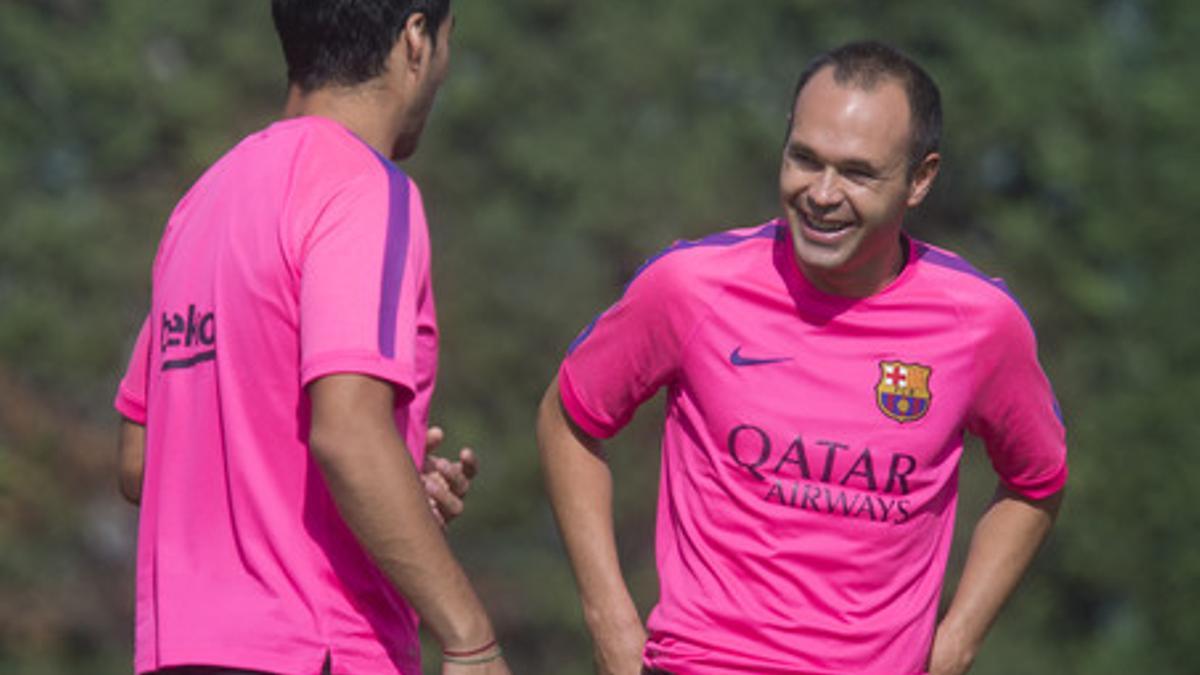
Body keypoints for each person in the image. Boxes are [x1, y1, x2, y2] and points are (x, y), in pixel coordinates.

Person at [537, 41, 1066, 675]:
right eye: (804, 159)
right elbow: (568, 419)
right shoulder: (689, 286)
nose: (822, 193)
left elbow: (1037, 481)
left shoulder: (981, 323)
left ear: (920, 179)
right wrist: (610, 621)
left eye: (858, 172)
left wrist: (956, 643)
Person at [113, 1, 509, 673]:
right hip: (317, 647)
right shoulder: (365, 189)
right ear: (416, 38)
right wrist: (471, 636)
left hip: (177, 651)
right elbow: (347, 434)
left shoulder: (202, 202)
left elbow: (139, 457)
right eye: (447, 41)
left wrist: (390, 492)